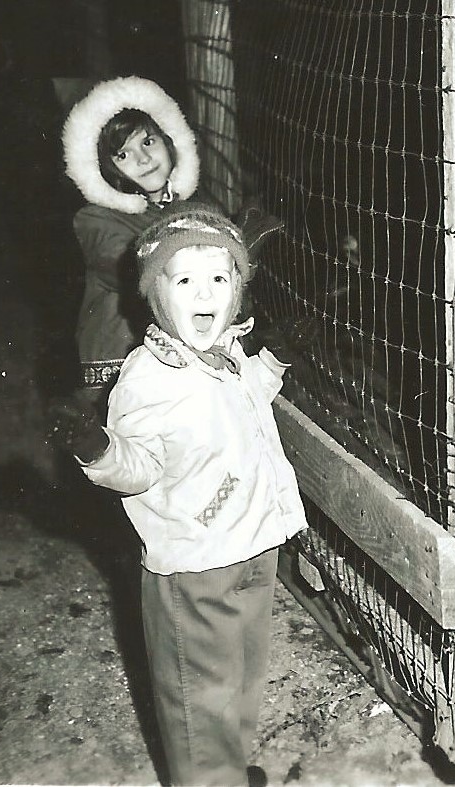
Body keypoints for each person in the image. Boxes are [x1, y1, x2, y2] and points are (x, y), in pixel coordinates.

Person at [50, 206, 307, 787]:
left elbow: (249, 399)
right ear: (155, 294)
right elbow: (136, 468)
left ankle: (230, 770)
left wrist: (276, 359)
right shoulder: (148, 378)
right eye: (183, 278)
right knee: (200, 693)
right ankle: (209, 780)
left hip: (254, 541)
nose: (204, 293)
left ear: (237, 289)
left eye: (219, 278)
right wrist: (98, 449)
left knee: (242, 674)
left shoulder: (230, 352)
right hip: (195, 561)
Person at [61, 75, 200, 410]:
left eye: (148, 142)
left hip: (183, 350)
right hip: (120, 355)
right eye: (123, 154)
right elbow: (127, 268)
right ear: (109, 169)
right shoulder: (97, 219)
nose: (142, 159)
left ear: (170, 139)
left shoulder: (197, 206)